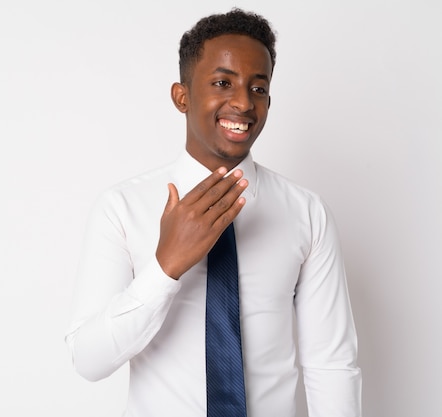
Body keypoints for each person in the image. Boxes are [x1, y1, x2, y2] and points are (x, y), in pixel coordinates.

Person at [65, 8, 362, 417]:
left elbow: (331, 365)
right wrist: (165, 268)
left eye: (258, 89)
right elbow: (88, 360)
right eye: (223, 82)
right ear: (181, 96)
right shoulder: (122, 208)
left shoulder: (307, 213)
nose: (243, 102)